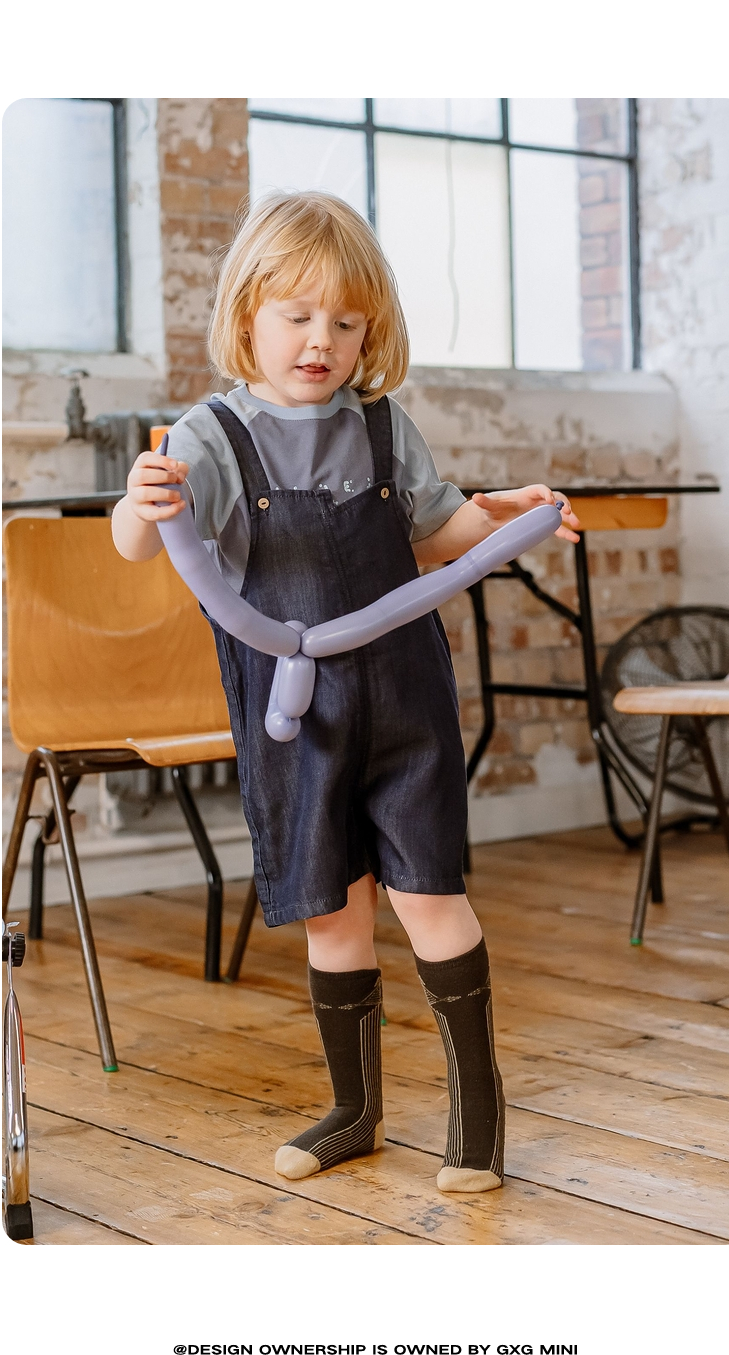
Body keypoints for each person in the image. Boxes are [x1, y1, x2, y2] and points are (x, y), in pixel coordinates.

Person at [112, 191, 580, 1194]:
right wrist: (138, 507)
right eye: (297, 315)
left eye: (346, 322)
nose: (320, 340)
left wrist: (503, 513)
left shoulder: (381, 425)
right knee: (335, 912)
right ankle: (355, 1110)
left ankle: (478, 1115)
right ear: (247, 316)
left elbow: (436, 533)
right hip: (298, 716)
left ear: (371, 332)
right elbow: (143, 542)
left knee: (431, 894)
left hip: (406, 701)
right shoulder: (210, 435)